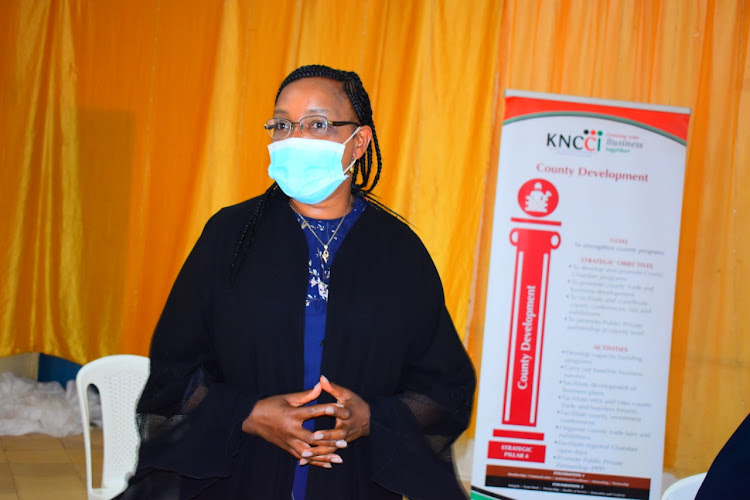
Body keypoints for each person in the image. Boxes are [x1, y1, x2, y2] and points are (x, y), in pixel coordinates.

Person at [117, 64, 476, 500]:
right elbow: (176, 373)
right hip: (237, 474)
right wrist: (247, 414)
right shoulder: (230, 236)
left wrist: (371, 419)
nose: (295, 138)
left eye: (318, 124)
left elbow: (443, 388)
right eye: (283, 124)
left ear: (358, 142)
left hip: (350, 478)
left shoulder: (400, 253)